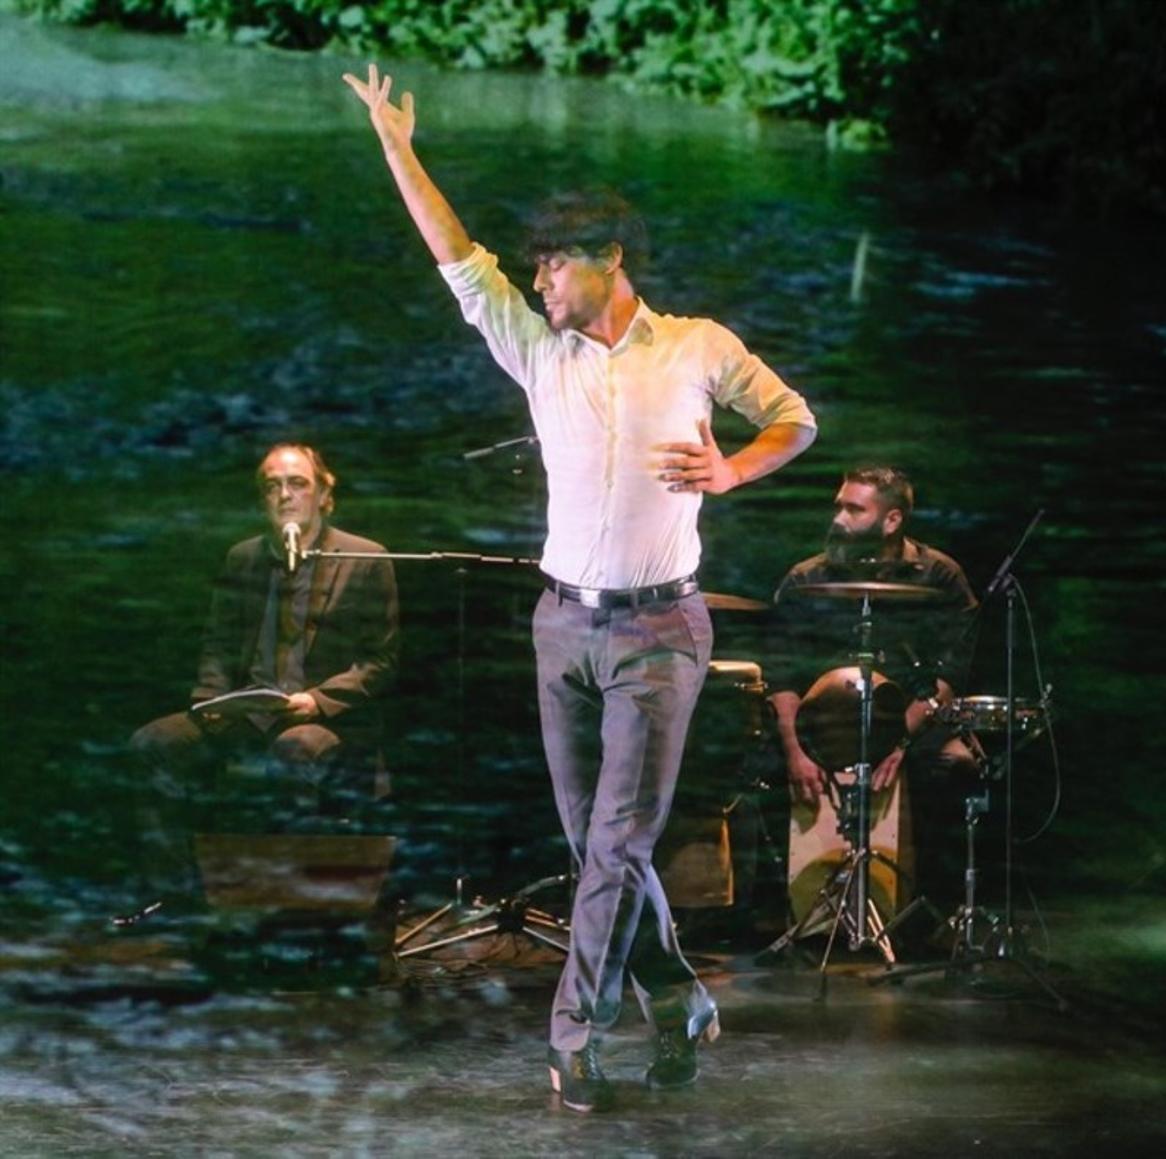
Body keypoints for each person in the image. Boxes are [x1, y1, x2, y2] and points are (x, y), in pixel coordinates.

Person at [344, 65, 816, 1113]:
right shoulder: (537, 353)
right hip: (562, 626)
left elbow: (796, 417)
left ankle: (575, 1038)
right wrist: (396, 145)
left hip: (659, 628)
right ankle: (682, 999)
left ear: (606, 262)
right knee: (595, 846)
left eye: (552, 264)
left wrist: (735, 468)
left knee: (616, 843)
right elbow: (456, 259)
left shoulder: (695, 347)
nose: (538, 279)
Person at [120, 443, 400, 923]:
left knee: (294, 752)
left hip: (322, 719)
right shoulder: (243, 558)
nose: (285, 495)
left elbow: (381, 659)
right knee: (152, 744)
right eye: (272, 486)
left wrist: (318, 700)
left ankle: (286, 911)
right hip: (246, 713)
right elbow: (218, 643)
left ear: (324, 495)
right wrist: (210, 701)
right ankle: (179, 898)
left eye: (297, 484)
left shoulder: (364, 556)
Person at [768, 466, 980, 907]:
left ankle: (929, 909)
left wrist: (898, 740)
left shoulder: (939, 578)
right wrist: (795, 749)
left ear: (893, 520)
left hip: (911, 724)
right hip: (821, 728)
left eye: (854, 508)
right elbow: (782, 674)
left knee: (954, 766)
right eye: (839, 506)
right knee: (756, 766)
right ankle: (783, 907)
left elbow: (948, 677)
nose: (839, 518)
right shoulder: (806, 581)